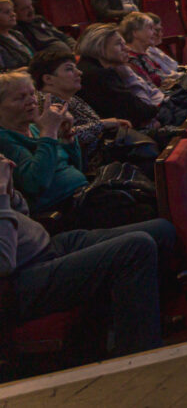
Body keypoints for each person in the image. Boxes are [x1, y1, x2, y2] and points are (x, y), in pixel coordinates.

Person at [0, 150, 174, 358]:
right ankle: (138, 356)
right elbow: (4, 263)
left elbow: (21, 216)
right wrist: (1, 195)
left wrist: (10, 191)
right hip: (19, 283)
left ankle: (138, 328)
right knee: (136, 247)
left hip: (49, 246)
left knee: (161, 231)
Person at [29, 47, 133, 166]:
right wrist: (103, 124)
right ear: (48, 79)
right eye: (69, 69)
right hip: (91, 166)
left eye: (76, 68)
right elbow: (61, 137)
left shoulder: (71, 98)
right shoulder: (46, 104)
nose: (79, 72)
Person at [0, 71, 86, 213]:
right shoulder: (5, 140)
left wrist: (67, 141)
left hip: (83, 195)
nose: (32, 101)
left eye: (32, 94)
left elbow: (77, 169)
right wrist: (49, 133)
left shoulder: (35, 129)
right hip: (61, 211)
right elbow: (35, 183)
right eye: (21, 98)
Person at [4, 0, 75, 52]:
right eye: (24, 8)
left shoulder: (39, 19)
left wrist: (75, 47)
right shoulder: (16, 31)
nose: (31, 10)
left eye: (31, 5)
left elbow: (63, 37)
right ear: (13, 11)